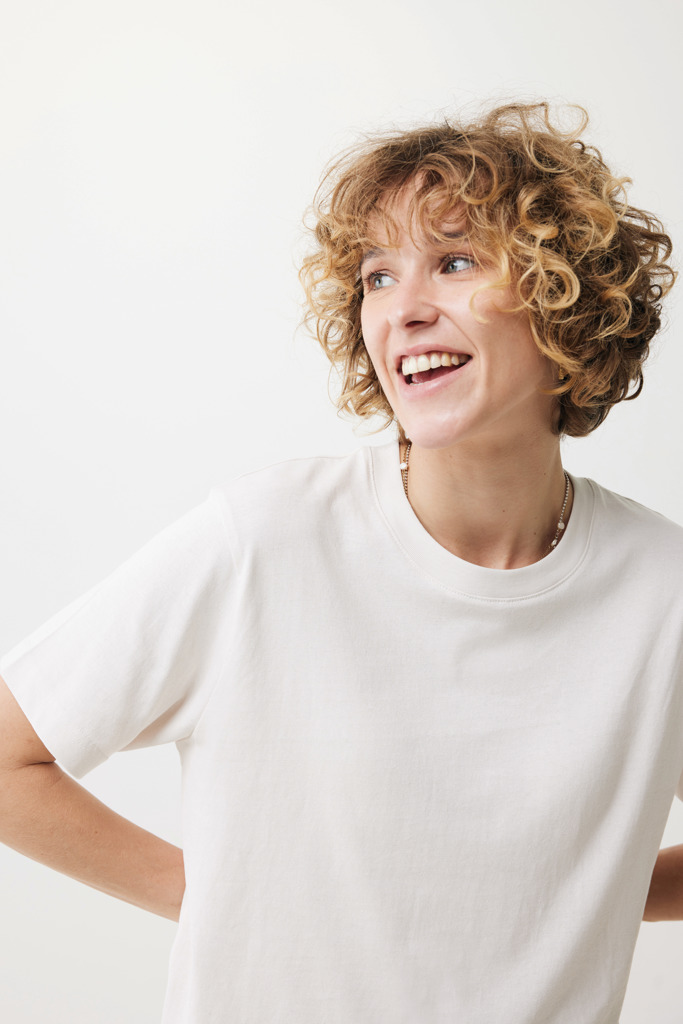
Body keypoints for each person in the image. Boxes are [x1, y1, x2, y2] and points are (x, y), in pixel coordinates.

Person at [0, 100, 680, 1023]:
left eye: (454, 261)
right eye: (376, 276)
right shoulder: (266, 541)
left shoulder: (660, 591)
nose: (403, 308)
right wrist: (222, 898)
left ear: (568, 296)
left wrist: (577, 893)